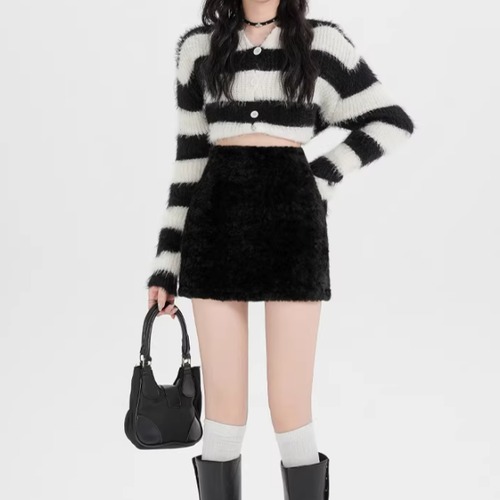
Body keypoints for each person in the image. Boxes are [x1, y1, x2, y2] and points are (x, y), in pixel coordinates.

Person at [146, 1, 414, 498]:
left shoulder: (320, 43)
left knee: (290, 407)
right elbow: (189, 160)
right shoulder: (198, 49)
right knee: (224, 411)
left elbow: (390, 121)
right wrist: (166, 266)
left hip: (294, 227)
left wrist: (322, 175)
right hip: (216, 224)